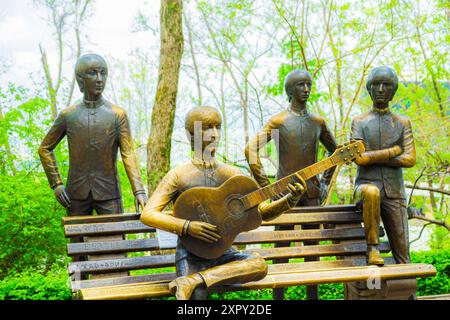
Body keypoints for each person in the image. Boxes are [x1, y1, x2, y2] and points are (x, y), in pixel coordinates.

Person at [141, 106, 307, 300]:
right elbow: (148, 213)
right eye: (206, 128)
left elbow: (261, 214)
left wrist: (290, 200)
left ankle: (194, 279)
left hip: (224, 253)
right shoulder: (178, 175)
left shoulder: (233, 175)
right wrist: (187, 227)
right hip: (191, 254)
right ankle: (194, 281)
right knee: (197, 295)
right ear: (190, 135)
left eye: (218, 127)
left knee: (259, 264)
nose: (214, 135)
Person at [245, 69, 337, 299]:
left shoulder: (318, 122)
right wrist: (267, 187)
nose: (306, 89)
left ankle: (312, 297)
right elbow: (250, 150)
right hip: (283, 196)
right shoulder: (278, 121)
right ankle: (278, 298)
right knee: (281, 251)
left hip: (313, 194)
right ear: (289, 90)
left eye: (308, 84)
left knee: (313, 252)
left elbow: (335, 152)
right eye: (300, 85)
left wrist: (325, 182)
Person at [39, 53, 147, 217]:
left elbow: (128, 154)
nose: (99, 79)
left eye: (103, 73)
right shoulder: (68, 115)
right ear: (80, 78)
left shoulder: (117, 115)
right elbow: (45, 149)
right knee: (76, 241)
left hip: (109, 193)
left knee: (117, 239)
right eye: (93, 73)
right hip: (75, 194)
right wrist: (56, 184)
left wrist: (138, 190)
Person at [351, 66, 416, 266]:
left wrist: (373, 156)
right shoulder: (359, 122)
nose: (380, 89)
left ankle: (408, 296)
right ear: (369, 89)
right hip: (364, 189)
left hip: (394, 192)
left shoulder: (402, 123)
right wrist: (393, 151)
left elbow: (410, 159)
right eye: (376, 85)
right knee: (371, 192)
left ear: (393, 90)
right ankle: (373, 249)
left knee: (403, 255)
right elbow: (359, 159)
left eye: (386, 85)